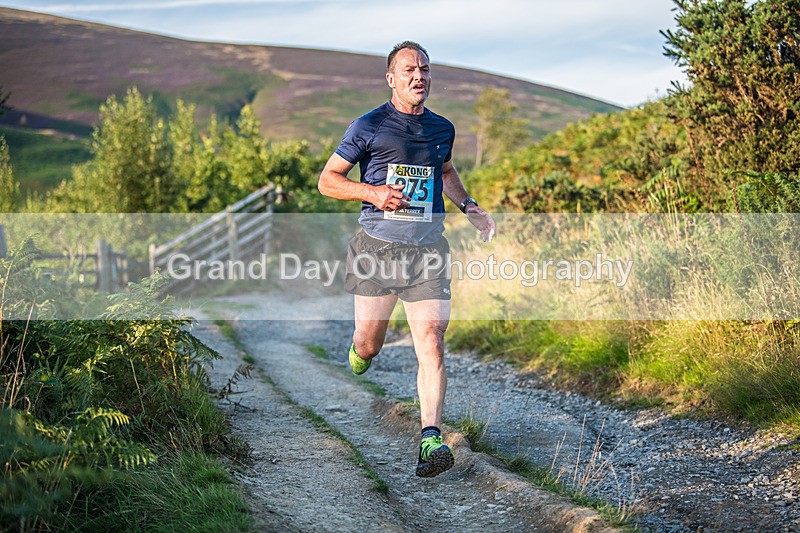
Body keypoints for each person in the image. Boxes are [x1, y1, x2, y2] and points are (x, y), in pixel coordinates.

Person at [318, 41, 495, 478]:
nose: (419, 76)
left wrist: (468, 206)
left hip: (428, 251)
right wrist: (374, 193)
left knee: (431, 341)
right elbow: (328, 180)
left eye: (425, 69)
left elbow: (447, 172)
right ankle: (360, 352)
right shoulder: (369, 126)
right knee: (368, 344)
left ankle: (430, 438)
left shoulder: (442, 129)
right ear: (392, 78)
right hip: (377, 250)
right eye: (410, 70)